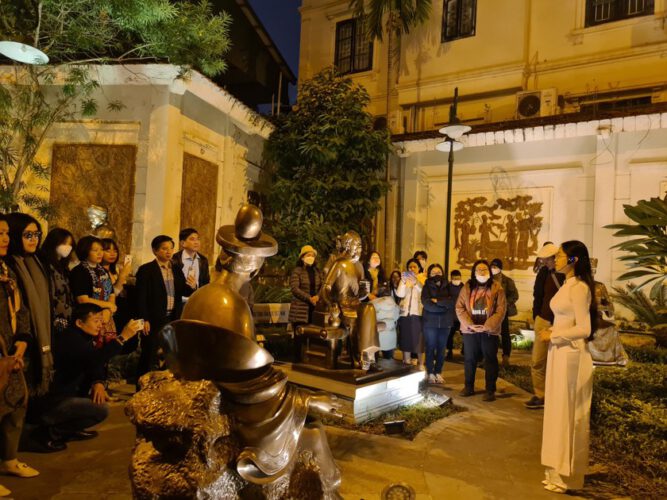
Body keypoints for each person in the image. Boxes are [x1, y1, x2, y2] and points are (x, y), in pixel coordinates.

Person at [30, 304, 143, 453]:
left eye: (101, 320)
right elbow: (94, 359)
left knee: (96, 400)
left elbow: (93, 363)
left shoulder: (84, 337)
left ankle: (70, 430)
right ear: (79, 323)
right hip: (52, 401)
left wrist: (98, 382)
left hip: (68, 394)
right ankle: (47, 434)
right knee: (101, 410)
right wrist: (123, 337)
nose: (100, 325)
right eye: (96, 321)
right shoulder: (70, 340)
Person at [540, 241, 597, 493]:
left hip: (571, 356)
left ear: (573, 260)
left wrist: (553, 335)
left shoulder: (580, 288)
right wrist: (553, 332)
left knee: (566, 413)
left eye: (561, 255)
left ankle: (566, 474)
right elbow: (565, 319)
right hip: (559, 352)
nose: (556, 259)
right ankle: (554, 468)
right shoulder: (566, 284)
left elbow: (584, 328)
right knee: (555, 410)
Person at [0, 214, 39, 493]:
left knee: (14, 405)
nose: (5, 239)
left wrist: (23, 341)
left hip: (12, 352)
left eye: (5, 233)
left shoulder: (6, 270)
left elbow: (21, 308)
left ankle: (9, 459)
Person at [135, 235, 196, 380]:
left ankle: (162, 386)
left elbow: (183, 291)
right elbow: (140, 297)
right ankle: (140, 387)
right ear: (155, 251)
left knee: (169, 355)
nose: (169, 252)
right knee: (149, 354)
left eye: (171, 248)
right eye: (164, 248)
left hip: (172, 318)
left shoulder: (176, 268)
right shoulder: (146, 270)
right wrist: (144, 319)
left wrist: (192, 286)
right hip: (153, 319)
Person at [5, 213, 52, 397]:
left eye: (36, 234)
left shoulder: (39, 261)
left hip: (37, 336)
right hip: (17, 340)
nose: (34, 240)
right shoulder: (9, 264)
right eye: (28, 235)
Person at [455, 260, 506, 401]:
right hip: (470, 330)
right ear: (474, 272)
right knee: (469, 359)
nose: (482, 272)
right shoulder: (467, 287)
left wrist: (488, 326)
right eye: (479, 269)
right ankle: (468, 386)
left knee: (490, 360)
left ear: (489, 271)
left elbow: (501, 310)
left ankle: (490, 390)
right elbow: (459, 307)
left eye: (485, 269)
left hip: (489, 331)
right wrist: (470, 325)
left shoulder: (497, 288)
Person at [525, 243, 565, 410]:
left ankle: (557, 396)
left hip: (562, 323)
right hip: (544, 320)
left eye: (548, 259)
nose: (545, 263)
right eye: (543, 260)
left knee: (558, 362)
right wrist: (537, 316)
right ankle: (540, 395)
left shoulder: (567, 274)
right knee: (537, 361)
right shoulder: (544, 273)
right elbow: (538, 295)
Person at [69, 236, 117, 349]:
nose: (100, 253)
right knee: (91, 349)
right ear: (85, 251)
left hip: (106, 316)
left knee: (108, 350)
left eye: (101, 250)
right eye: (95, 250)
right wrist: (108, 306)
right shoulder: (79, 271)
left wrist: (108, 311)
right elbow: (83, 300)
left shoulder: (103, 271)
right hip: (89, 318)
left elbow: (111, 294)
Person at [587, 259, 628, 366]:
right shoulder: (580, 285)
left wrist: (605, 308)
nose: (592, 272)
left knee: (611, 328)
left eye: (594, 270)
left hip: (598, 319)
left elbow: (610, 307)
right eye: (590, 269)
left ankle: (614, 357)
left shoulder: (600, 286)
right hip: (585, 319)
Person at [421, 264, 455, 384]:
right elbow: (427, 304)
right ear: (429, 274)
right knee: (430, 347)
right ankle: (430, 372)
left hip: (445, 322)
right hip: (430, 322)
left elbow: (452, 302)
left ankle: (438, 372)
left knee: (441, 348)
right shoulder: (426, 286)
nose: (436, 274)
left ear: (443, 273)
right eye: (433, 272)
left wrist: (437, 301)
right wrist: (443, 306)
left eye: (439, 272)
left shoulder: (449, 286)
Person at [40, 228, 76, 335]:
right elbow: (49, 295)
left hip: (67, 317)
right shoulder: (45, 265)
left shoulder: (64, 267)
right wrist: (70, 311)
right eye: (64, 243)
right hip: (53, 317)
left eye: (70, 245)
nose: (68, 247)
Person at [288, 246, 322, 360]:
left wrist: (318, 296)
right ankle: (297, 361)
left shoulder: (317, 271)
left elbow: (323, 286)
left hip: (314, 308)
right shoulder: (297, 271)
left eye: (312, 255)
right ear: (302, 257)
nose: (311, 257)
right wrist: (309, 298)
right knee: (300, 336)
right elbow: (295, 288)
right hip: (300, 309)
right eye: (308, 255)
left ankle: (309, 360)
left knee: (312, 335)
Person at [396, 258, 425, 366]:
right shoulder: (404, 279)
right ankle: (406, 362)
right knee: (406, 339)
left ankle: (421, 364)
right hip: (405, 313)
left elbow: (424, 292)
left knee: (419, 340)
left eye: (414, 267)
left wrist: (416, 282)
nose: (412, 269)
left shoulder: (423, 279)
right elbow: (399, 294)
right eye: (410, 267)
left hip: (418, 313)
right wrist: (403, 282)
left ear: (419, 268)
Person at [490, 258, 519, 367]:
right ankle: (490, 356)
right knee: (491, 333)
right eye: (491, 267)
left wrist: (504, 303)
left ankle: (506, 356)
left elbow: (514, 295)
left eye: (495, 267)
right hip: (490, 311)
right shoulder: (488, 279)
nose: (493, 269)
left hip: (503, 311)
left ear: (500, 268)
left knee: (505, 333)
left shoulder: (507, 281)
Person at [446, 269, 464, 359]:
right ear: (451, 278)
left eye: (458, 278)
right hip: (451, 316)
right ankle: (449, 351)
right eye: (454, 278)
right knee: (449, 335)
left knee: (465, 334)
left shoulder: (464, 287)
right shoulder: (447, 287)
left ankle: (465, 350)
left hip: (461, 316)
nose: (456, 280)